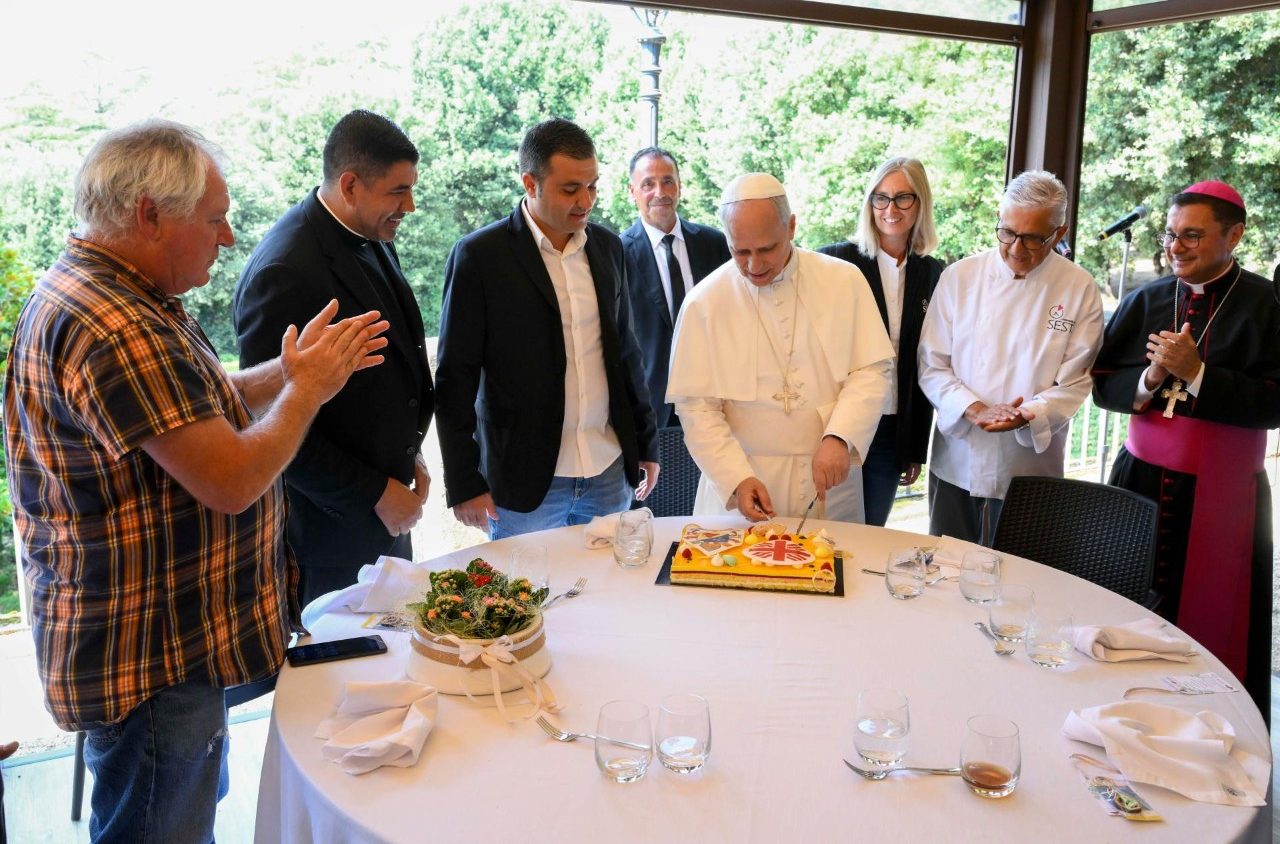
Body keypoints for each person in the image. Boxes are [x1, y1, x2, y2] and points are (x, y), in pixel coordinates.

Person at [1, 120, 387, 842]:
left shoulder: (113, 294)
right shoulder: (116, 324)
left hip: (161, 648)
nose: (229, 237)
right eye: (214, 219)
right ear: (150, 214)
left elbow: (188, 410)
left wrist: (287, 373)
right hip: (153, 658)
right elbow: (232, 479)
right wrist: (306, 392)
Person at [1092, 180, 1280, 711]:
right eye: (1171, 235)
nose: (1175, 247)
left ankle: (1212, 725)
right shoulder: (1146, 299)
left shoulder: (1267, 305)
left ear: (1234, 236)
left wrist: (1198, 374)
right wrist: (1149, 379)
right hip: (1138, 482)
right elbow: (1103, 382)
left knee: (1217, 623)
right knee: (1125, 607)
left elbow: (1275, 402)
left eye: (1192, 236)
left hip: (1225, 498)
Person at [234, 109, 434, 606]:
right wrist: (375, 492)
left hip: (387, 511)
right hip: (328, 536)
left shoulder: (370, 230)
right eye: (398, 192)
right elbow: (270, 420)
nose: (409, 206)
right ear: (350, 185)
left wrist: (407, 453)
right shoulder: (284, 268)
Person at [435, 118, 659, 538]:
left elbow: (626, 353)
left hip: (609, 472)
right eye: (570, 189)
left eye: (592, 186)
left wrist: (646, 443)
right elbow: (454, 379)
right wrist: (464, 482)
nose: (585, 201)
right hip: (523, 481)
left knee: (607, 582)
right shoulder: (479, 256)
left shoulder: (609, 247)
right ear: (530, 184)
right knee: (523, 584)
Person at [666, 173, 893, 521]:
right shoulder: (704, 302)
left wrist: (841, 436)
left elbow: (872, 371)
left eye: (766, 249)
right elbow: (696, 407)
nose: (754, 265)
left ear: (791, 227)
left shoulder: (843, 280)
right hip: (745, 479)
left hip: (827, 472)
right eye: (740, 251)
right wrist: (735, 478)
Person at [918, 170, 1103, 545]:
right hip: (959, 458)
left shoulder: (1078, 287)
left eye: (1033, 239)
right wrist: (974, 409)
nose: (1017, 248)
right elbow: (932, 365)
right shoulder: (960, 277)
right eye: (1007, 233)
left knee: (1023, 572)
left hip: (1031, 466)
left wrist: (1027, 414)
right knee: (947, 567)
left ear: (1059, 234)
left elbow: (1075, 382)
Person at [818, 157, 943, 526]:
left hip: (892, 429)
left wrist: (914, 447)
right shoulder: (835, 262)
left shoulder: (931, 272)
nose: (891, 209)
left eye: (903, 198)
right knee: (832, 530)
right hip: (838, 423)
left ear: (920, 203)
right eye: (881, 198)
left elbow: (924, 362)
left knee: (872, 531)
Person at [620, 146, 730, 428]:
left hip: (714, 398)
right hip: (650, 407)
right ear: (633, 192)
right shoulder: (617, 254)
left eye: (667, 181)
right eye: (648, 184)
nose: (660, 192)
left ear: (680, 186)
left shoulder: (715, 244)